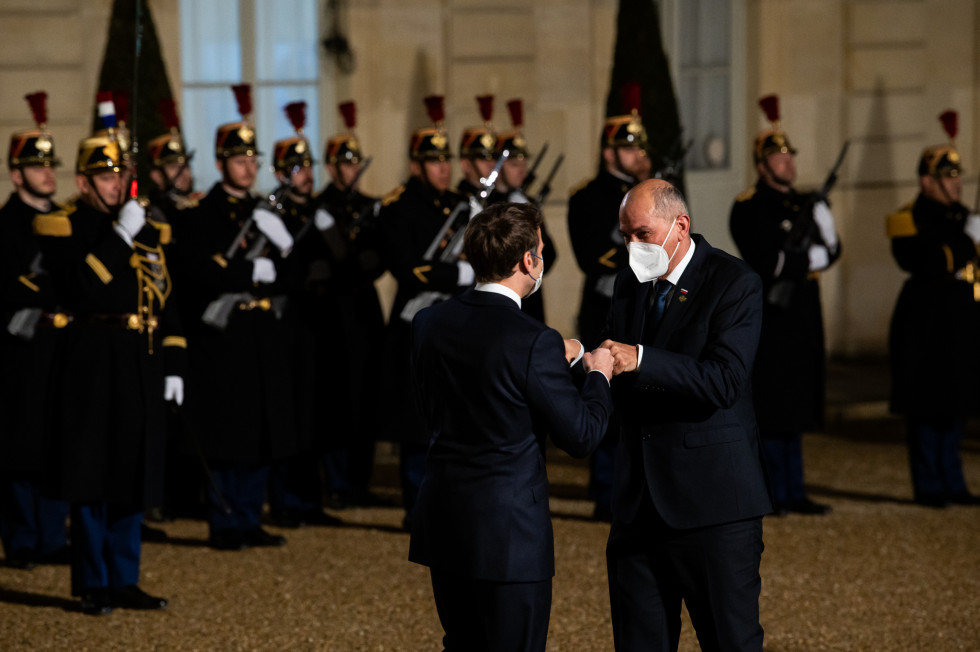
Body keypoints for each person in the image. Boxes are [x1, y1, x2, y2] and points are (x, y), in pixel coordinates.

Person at [409, 201, 614, 652]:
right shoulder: (533, 340)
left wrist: (548, 358)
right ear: (528, 260)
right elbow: (580, 436)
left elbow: (433, 404)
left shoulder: (429, 323)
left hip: (446, 518)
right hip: (508, 533)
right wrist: (597, 373)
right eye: (540, 250)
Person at [599, 179, 772, 651]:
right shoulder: (628, 283)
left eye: (642, 234)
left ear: (681, 225)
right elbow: (618, 364)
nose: (632, 246)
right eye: (626, 235)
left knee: (729, 641)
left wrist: (641, 358)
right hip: (638, 507)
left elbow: (724, 381)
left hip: (713, 505)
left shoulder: (734, 282)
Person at [33, 125, 184, 615]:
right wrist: (121, 236)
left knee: (132, 472)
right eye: (105, 176)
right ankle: (94, 583)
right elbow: (80, 288)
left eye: (121, 175)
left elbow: (167, 301)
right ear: (82, 182)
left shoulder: (145, 227)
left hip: (139, 358)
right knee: (91, 474)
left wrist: (175, 362)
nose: (116, 185)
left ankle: (124, 577)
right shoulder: (62, 225)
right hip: (90, 361)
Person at [179, 84, 299, 550]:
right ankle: (225, 519)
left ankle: (249, 515)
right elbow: (198, 270)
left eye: (253, 159)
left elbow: (296, 274)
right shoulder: (201, 214)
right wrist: (255, 267)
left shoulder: (266, 213)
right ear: (221, 162)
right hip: (223, 338)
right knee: (226, 432)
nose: (249, 167)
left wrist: (283, 247)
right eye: (239, 159)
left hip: (261, 333)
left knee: (260, 430)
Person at [729, 95, 837, 515]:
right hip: (773, 318)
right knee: (774, 407)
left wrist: (824, 229)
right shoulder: (749, 207)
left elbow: (834, 251)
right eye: (779, 157)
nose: (788, 163)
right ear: (761, 164)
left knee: (798, 403)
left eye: (790, 156)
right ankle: (772, 491)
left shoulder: (802, 203)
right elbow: (763, 257)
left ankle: (795, 488)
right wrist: (807, 258)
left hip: (804, 315)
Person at [377, 95, 470, 528]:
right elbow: (409, 269)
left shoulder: (458, 204)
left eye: (446, 160)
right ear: (416, 165)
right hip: (415, 324)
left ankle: (449, 502)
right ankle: (417, 506)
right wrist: (459, 275)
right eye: (433, 161)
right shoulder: (398, 207)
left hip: (452, 322)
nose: (443, 168)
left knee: (454, 415)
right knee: (417, 422)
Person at [886, 109, 980, 508]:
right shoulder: (908, 218)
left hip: (960, 320)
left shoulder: (963, 217)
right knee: (926, 405)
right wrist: (968, 242)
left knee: (956, 404)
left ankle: (954, 482)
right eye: (948, 176)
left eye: (958, 176)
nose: (956, 184)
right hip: (924, 323)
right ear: (927, 180)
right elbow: (925, 259)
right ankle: (928, 485)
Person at [567, 84, 649, 520]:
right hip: (604, 307)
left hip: (641, 305)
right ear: (609, 152)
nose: (639, 156)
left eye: (641, 149)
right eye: (630, 149)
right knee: (603, 391)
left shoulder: (649, 194)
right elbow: (591, 256)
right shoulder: (588, 197)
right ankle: (603, 489)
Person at [0, 91, 71, 570]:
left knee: (56, 442)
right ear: (15, 173)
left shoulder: (65, 220)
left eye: (50, 166)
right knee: (19, 447)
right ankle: (23, 539)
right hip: (19, 350)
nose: (48, 173)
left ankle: (52, 535)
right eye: (37, 166)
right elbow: (15, 283)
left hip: (61, 345)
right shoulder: (6, 225)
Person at [264, 100, 342, 528]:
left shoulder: (318, 211)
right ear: (279, 174)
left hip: (320, 324)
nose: (306, 173)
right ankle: (285, 500)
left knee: (317, 415)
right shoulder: (274, 214)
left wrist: (329, 231)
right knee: (289, 413)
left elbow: (344, 263)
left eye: (308, 165)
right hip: (288, 325)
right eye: (296, 167)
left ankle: (312, 499)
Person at [315, 100, 387, 508]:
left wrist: (357, 262)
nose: (351, 169)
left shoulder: (369, 207)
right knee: (337, 400)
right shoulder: (322, 207)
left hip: (363, 310)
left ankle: (360, 479)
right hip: (332, 313)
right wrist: (353, 262)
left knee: (365, 396)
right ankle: (338, 481)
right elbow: (328, 265)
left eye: (355, 162)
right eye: (344, 163)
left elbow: (378, 257)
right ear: (331, 167)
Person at [490, 98, 558, 323]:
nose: (522, 170)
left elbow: (550, 253)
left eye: (523, 163)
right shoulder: (485, 205)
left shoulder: (526, 201)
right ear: (498, 166)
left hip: (530, 302)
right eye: (514, 165)